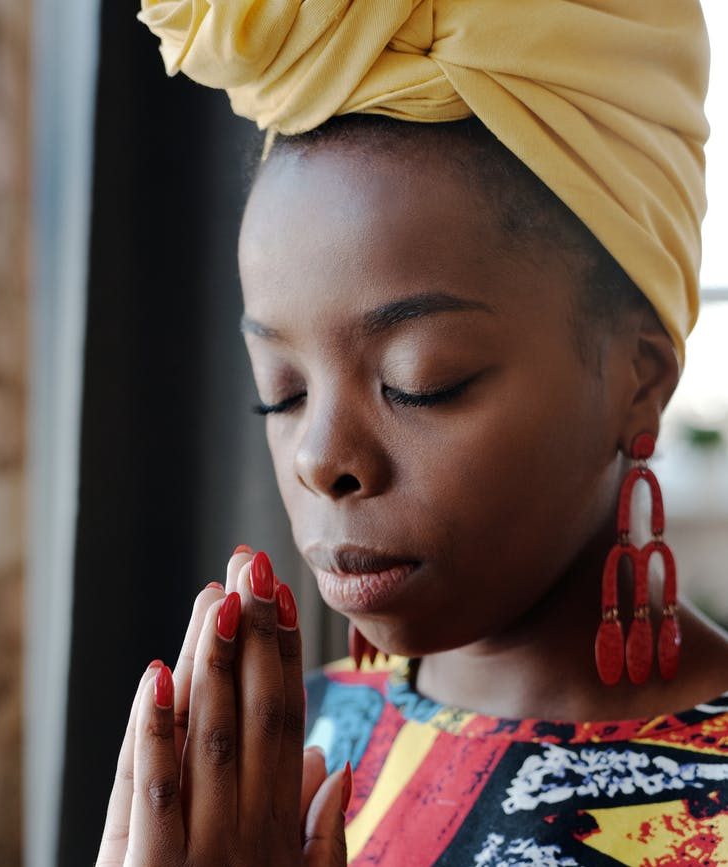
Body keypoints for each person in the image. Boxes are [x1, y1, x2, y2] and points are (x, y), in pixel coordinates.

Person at [95, 2, 728, 864]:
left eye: (419, 382)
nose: (320, 458)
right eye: (279, 393)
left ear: (639, 377)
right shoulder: (277, 765)